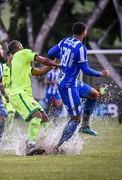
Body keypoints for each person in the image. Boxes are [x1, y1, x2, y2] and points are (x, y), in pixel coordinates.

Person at [48, 22, 109, 152]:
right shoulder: (81, 47)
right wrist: (100, 73)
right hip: (68, 86)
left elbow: (50, 52)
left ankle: (85, 126)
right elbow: (85, 69)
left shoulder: (65, 41)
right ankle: (57, 147)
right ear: (84, 32)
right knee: (75, 118)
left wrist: (61, 59)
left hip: (73, 82)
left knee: (94, 94)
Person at [7, 40, 60, 156]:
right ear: (20, 47)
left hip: (23, 95)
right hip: (19, 94)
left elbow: (40, 71)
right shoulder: (23, 53)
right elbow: (41, 60)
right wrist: (57, 65)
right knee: (37, 116)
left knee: (45, 118)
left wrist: (54, 63)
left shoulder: (18, 61)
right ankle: (30, 145)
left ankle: (43, 144)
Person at [2, 51, 16, 133]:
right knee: (1, 117)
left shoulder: (17, 69)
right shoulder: (2, 67)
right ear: (8, 56)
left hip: (13, 95)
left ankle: (5, 135)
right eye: (12, 55)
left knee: (11, 115)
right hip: (1, 94)